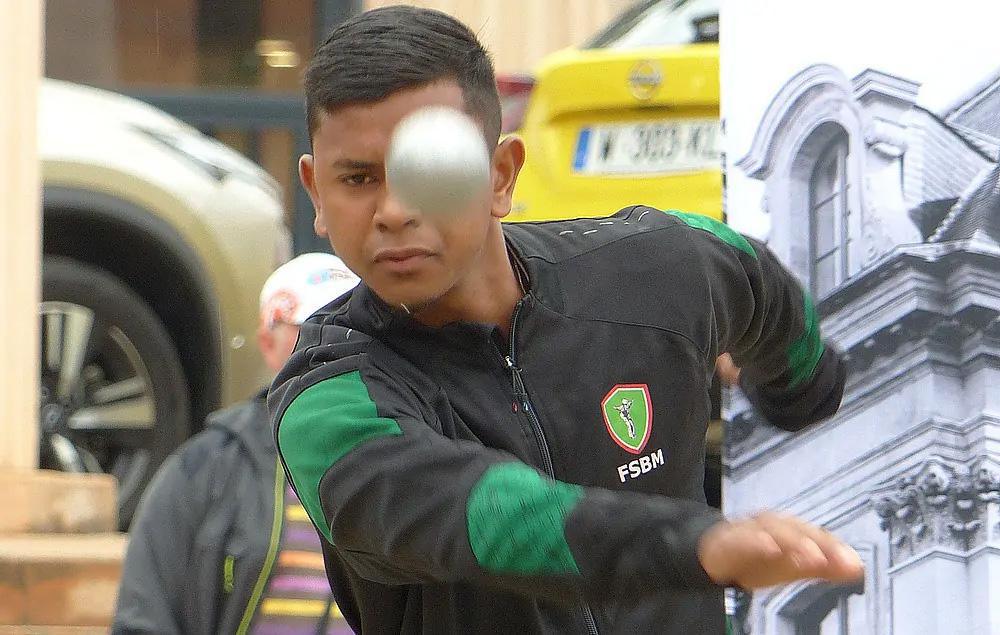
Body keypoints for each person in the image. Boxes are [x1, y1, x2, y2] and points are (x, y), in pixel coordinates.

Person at [269, 6, 862, 635]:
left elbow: (756, 283)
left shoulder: (658, 266)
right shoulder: (324, 400)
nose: (392, 210)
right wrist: (697, 546)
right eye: (358, 178)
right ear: (316, 193)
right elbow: (485, 517)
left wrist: (799, 391)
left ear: (501, 175)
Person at [113, 253, 360, 635]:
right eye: (312, 328)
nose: (332, 345)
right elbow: (144, 616)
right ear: (268, 341)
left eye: (351, 328)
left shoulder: (402, 458)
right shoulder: (205, 468)